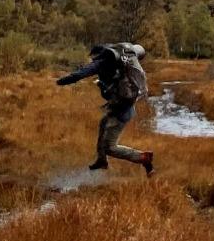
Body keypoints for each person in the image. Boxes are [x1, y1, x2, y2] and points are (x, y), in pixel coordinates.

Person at [55, 42, 155, 176]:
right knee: (103, 124)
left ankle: (143, 158)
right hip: (124, 103)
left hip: (121, 110)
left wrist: (57, 82)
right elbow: (140, 50)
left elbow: (77, 75)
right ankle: (102, 161)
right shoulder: (125, 58)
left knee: (110, 147)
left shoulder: (101, 63)